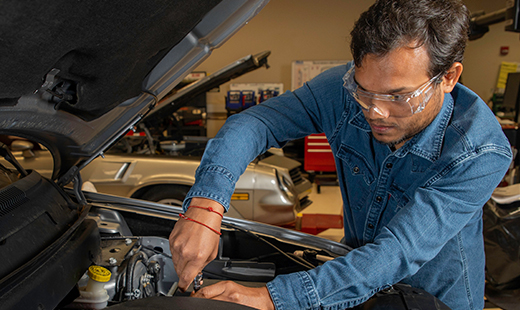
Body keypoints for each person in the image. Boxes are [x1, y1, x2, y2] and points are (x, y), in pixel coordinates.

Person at [168, 0, 513, 309]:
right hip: (350, 281)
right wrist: (204, 208)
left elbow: (396, 253)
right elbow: (254, 124)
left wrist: (273, 298)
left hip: (432, 299)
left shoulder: (479, 152)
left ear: (448, 77)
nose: (376, 111)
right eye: (364, 91)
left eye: (397, 96)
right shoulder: (340, 90)